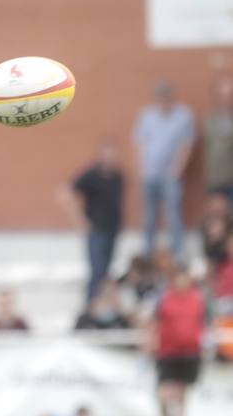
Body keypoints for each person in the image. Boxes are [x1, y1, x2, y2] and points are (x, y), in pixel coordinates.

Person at [133, 79, 195, 256]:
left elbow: (186, 145)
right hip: (150, 173)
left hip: (170, 175)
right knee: (149, 216)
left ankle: (177, 253)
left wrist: (177, 170)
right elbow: (140, 143)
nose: (163, 101)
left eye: (167, 97)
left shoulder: (183, 116)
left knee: (173, 215)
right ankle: (148, 252)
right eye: (160, 98)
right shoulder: (146, 115)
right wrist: (142, 169)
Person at [151, 267, 205, 416]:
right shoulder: (164, 298)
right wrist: (151, 342)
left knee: (182, 396)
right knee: (163, 396)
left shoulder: (198, 298)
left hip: (189, 353)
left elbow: (206, 323)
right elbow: (154, 321)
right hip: (167, 353)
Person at [70, 138, 125, 303]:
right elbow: (67, 193)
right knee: (97, 270)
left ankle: (102, 304)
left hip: (113, 229)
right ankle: (90, 305)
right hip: (96, 230)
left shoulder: (118, 176)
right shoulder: (91, 175)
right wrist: (80, 221)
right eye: (107, 154)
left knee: (107, 270)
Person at [205, 75, 233, 204]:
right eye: (224, 95)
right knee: (219, 217)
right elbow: (208, 148)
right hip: (216, 177)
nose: (227, 99)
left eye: (230, 94)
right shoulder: (210, 119)